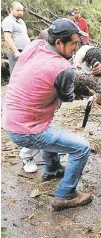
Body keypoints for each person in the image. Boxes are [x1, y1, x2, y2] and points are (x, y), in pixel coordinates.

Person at [2, 18, 93, 211]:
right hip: (25, 129)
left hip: (11, 117)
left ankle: (52, 169)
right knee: (82, 148)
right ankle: (65, 195)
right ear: (59, 43)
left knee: (50, 129)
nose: (77, 47)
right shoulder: (63, 69)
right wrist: (83, 92)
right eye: (74, 43)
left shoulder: (35, 46)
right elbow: (67, 97)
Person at [2, 2, 40, 173]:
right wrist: (16, 52)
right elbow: (8, 37)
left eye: (22, 10)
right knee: (17, 80)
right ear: (11, 9)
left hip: (26, 52)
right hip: (17, 52)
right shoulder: (8, 21)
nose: (21, 12)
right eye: (18, 10)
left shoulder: (21, 22)